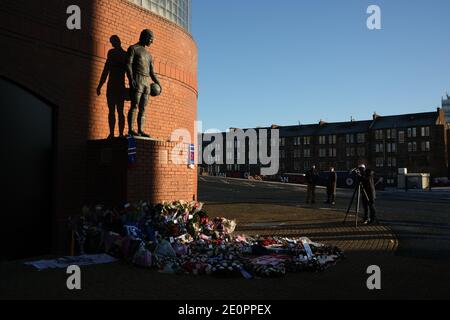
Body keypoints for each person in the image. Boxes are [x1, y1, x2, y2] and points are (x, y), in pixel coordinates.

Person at [126, 29, 162, 138]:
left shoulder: (149, 55)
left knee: (143, 108)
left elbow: (152, 72)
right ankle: (131, 130)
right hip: (137, 79)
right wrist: (131, 79)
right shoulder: (133, 49)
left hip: (147, 82)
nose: (152, 41)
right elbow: (128, 65)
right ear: (144, 37)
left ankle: (140, 130)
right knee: (135, 105)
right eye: (150, 39)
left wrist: (158, 83)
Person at [97, 35, 127, 138]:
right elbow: (106, 70)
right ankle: (115, 133)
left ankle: (118, 134)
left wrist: (100, 85)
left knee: (116, 111)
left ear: (117, 42)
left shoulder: (115, 53)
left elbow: (106, 70)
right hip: (117, 85)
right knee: (116, 111)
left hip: (115, 85)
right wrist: (100, 85)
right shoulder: (123, 54)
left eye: (113, 42)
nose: (113, 44)